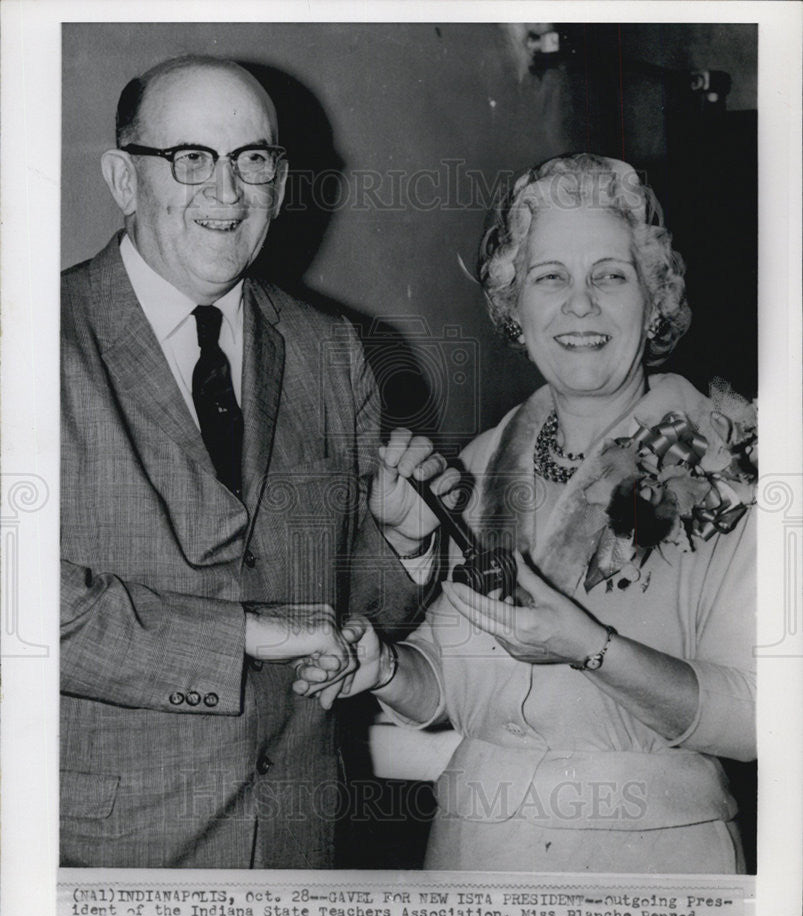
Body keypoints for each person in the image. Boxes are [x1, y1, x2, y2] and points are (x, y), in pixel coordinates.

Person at [296, 154, 757, 874]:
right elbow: (446, 685)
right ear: (515, 309)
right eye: (549, 278)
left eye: (609, 275)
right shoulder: (479, 463)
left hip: (650, 869)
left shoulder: (731, 461)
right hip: (473, 855)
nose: (579, 305)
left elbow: (758, 718)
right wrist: (384, 667)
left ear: (655, 299)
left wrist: (592, 648)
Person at [60, 55, 450, 868]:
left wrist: (404, 547)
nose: (227, 192)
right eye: (191, 158)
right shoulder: (33, 338)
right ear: (123, 179)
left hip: (298, 848)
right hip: (104, 859)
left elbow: (348, 616)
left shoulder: (330, 348)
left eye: (253, 159)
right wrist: (245, 634)